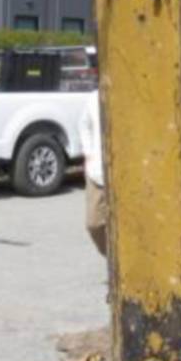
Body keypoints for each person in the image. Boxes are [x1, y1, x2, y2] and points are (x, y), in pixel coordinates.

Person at [78, 89, 107, 255]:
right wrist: (88, 152)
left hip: (124, 177)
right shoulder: (94, 98)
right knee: (94, 223)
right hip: (97, 172)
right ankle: (112, 258)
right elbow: (84, 125)